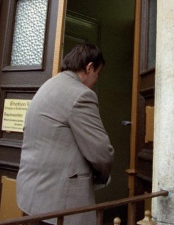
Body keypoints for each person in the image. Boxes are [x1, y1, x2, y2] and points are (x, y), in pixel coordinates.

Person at [17, 43, 114, 225]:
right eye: (97, 74)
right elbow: (101, 152)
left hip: (31, 197)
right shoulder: (81, 95)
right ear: (89, 67)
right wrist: (102, 177)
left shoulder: (47, 86)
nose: (96, 80)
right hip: (60, 207)